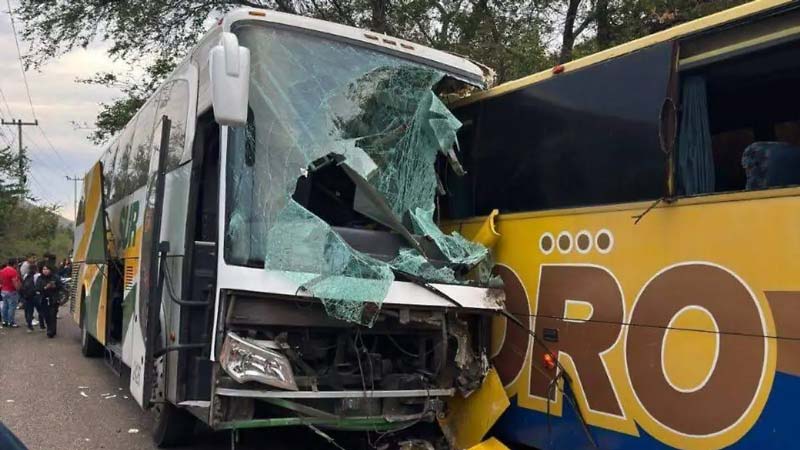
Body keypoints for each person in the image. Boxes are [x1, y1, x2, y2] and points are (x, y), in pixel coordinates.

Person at [35, 263, 64, 338]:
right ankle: (49, 328)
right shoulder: (40, 278)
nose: (45, 271)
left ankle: (51, 331)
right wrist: (45, 287)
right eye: (44, 269)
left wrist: (55, 286)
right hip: (43, 299)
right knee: (46, 315)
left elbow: (61, 287)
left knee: (53, 314)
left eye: (47, 269)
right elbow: (37, 288)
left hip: (53, 298)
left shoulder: (55, 277)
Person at [20, 264, 45, 333]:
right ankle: (42, 326)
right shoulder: (38, 275)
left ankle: (29, 327)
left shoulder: (25, 275)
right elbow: (40, 285)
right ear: (36, 269)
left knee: (29, 312)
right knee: (40, 311)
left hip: (28, 296)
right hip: (36, 295)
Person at [0, 259, 21, 328]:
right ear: (14, 264)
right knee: (12, 307)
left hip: (3, 290)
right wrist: (18, 289)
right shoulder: (13, 271)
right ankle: (11, 322)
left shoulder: (2, 271)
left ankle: (4, 321)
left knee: (5, 306)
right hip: (11, 291)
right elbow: (14, 281)